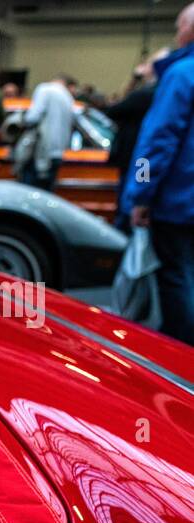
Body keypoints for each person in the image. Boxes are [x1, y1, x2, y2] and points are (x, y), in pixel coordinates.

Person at [125, 2, 194, 345]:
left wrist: (140, 194)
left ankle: (179, 354)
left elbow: (154, 145)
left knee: (177, 278)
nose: (177, 34)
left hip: (179, 203)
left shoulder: (182, 74)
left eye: (179, 26)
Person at [106, 50, 166, 230]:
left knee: (130, 204)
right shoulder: (161, 91)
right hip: (144, 158)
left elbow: (113, 110)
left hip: (140, 158)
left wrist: (134, 79)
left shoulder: (145, 94)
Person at [18, 73, 76, 190]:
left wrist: (21, 120)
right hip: (58, 153)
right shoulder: (68, 97)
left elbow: (33, 117)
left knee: (30, 194)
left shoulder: (45, 89)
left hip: (41, 152)